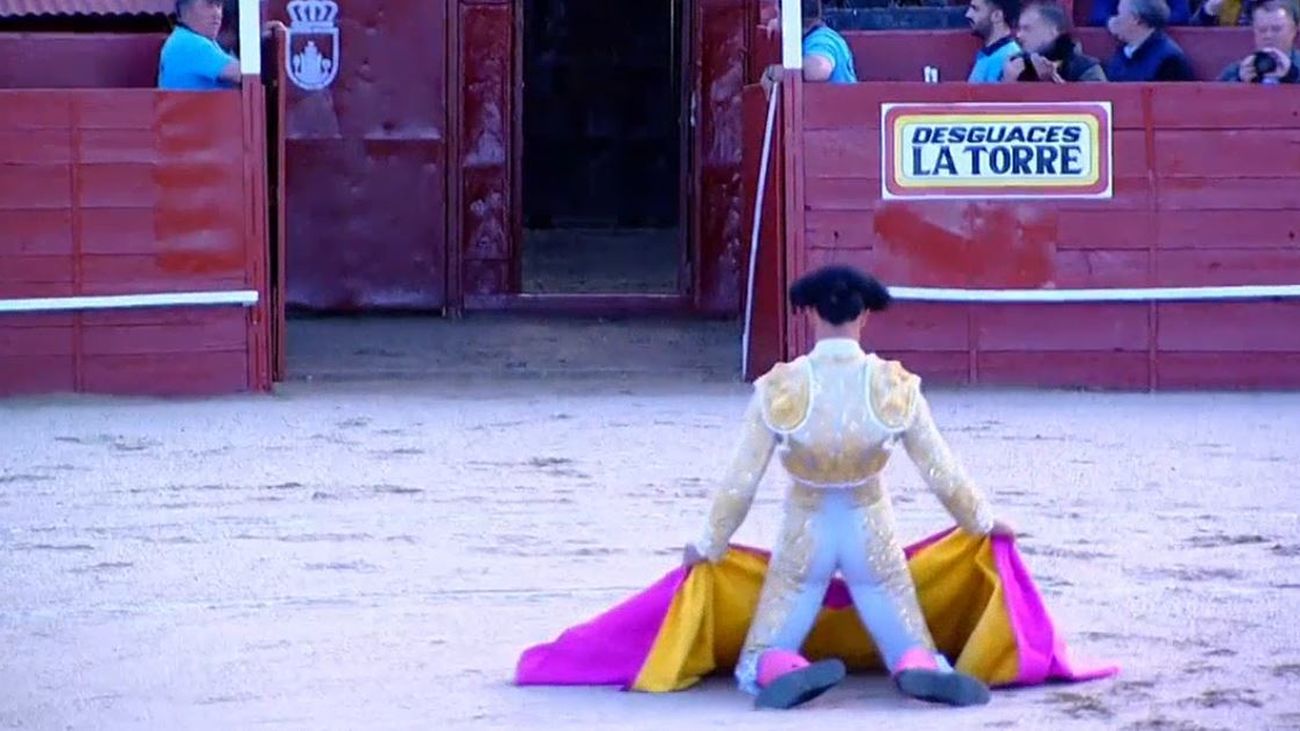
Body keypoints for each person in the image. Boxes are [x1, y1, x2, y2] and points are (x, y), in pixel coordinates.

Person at [680, 265, 1015, 709]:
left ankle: (781, 668)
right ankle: (916, 665)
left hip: (805, 531)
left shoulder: (780, 387)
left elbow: (741, 482)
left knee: (766, 644)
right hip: (871, 530)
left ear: (811, 314)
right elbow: (941, 471)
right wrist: (983, 522)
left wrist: (709, 543)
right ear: (865, 316)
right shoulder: (895, 385)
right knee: (901, 623)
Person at [158, 0, 285, 90]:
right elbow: (249, 75)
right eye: (209, 4)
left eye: (218, 5)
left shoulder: (198, 40)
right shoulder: (188, 43)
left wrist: (258, 36)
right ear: (183, 10)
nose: (217, 14)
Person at [761, 0, 858, 95]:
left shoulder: (820, 38)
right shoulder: (821, 34)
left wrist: (777, 72)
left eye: (778, 15)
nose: (776, 20)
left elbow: (820, 68)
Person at [1005, 0, 1107, 82]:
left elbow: (1099, 100)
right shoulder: (1015, 66)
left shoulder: (1085, 69)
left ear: (1053, 32)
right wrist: (1009, 81)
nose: (1019, 35)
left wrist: (1051, 83)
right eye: (1019, 29)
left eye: (1027, 29)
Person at [1105, 0, 1196, 81]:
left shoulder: (1169, 61)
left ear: (1136, 19)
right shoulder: (1122, 54)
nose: (1114, 20)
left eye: (1119, 14)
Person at [1218, 0, 1299, 83]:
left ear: (1293, 30)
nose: (1268, 35)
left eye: (1276, 29)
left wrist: (1292, 75)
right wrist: (1239, 81)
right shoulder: (1235, 71)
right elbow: (1217, 89)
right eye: (1262, 30)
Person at [966, 0, 1024, 82]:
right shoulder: (985, 55)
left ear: (997, 16)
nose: (967, 14)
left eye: (975, 9)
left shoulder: (1011, 58)